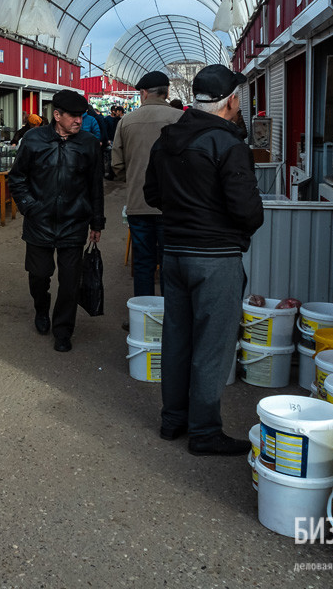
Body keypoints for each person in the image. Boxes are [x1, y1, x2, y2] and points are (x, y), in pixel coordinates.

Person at [144, 64, 264, 456]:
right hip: (215, 258)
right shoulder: (228, 144)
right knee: (213, 346)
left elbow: (152, 193)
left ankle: (172, 419)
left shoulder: (168, 138)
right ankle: (205, 431)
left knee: (177, 339)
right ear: (231, 101)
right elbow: (247, 210)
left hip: (175, 253)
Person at [7, 89, 105, 352]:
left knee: (71, 281)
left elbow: (96, 186)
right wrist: (30, 207)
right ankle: (41, 309)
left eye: (81, 116)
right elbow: (17, 178)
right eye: (73, 116)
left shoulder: (87, 144)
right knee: (39, 275)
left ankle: (63, 329)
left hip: (75, 222)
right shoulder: (33, 139)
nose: (79, 121)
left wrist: (97, 222)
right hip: (39, 222)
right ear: (57, 115)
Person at [111, 71, 184, 298]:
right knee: (170, 263)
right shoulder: (181, 119)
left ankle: (142, 318)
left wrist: (133, 180)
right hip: (173, 206)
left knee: (143, 262)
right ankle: (169, 317)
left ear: (143, 93)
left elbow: (117, 165)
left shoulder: (126, 121)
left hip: (138, 204)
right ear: (167, 92)